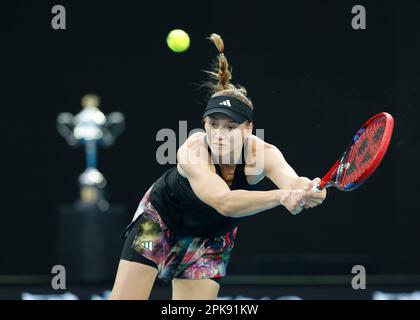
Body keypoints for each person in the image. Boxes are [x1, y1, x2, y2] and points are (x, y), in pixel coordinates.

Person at [109, 33, 327, 300]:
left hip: (211, 236)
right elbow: (224, 202)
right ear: (205, 124)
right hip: (159, 221)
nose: (220, 134)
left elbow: (293, 182)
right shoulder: (191, 151)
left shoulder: (263, 154)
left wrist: (310, 190)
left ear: (248, 128)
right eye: (214, 125)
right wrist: (282, 197)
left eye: (231, 127)